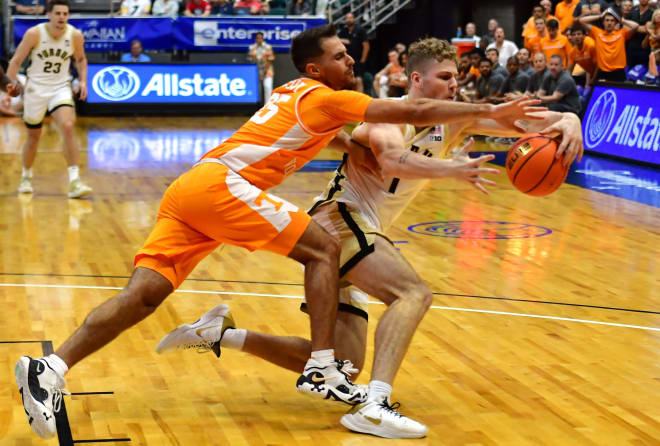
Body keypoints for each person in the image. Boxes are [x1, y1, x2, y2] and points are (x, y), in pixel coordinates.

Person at [14, 24, 542, 440]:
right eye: (340, 56)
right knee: (325, 247)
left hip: (192, 191)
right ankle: (320, 369)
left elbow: (353, 143)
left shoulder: (306, 100)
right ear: (317, 67)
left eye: (350, 54)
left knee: (144, 295)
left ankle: (49, 369)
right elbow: (417, 108)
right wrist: (490, 109)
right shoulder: (323, 95)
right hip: (222, 185)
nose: (351, 60)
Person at [155, 37, 583, 440]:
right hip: (341, 217)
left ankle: (220, 334)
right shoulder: (384, 118)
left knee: (346, 366)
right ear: (416, 80)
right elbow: (394, 161)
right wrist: (453, 170)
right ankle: (375, 407)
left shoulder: (456, 117)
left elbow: (530, 120)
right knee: (412, 293)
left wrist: (569, 120)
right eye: (445, 78)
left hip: (361, 226)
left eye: (456, 77)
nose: (455, 85)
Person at [7, 0, 92, 199]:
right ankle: (26, 177)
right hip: (36, 89)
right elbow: (17, 60)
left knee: (68, 126)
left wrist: (83, 81)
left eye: (65, 14)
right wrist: (8, 88)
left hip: (60, 87)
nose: (62, 17)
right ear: (49, 15)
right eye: (58, 13)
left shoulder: (74, 35)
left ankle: (74, 181)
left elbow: (80, 59)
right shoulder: (34, 34)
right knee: (33, 137)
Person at [579, 9, 639, 82]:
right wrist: (600, 16)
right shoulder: (597, 33)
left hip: (618, 72)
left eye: (612, 20)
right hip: (603, 72)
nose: (609, 23)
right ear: (603, 22)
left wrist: (621, 20)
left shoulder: (622, 33)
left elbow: (636, 26)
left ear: (616, 23)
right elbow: (581, 20)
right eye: (607, 20)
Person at [337, 12, 370, 93]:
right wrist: (343, 40)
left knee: (358, 80)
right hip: (347, 61)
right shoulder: (343, 31)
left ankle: (361, 101)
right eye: (347, 18)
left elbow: (366, 46)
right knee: (347, 81)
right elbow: (336, 41)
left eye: (350, 18)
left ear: (354, 19)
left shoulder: (360, 30)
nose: (349, 20)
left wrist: (363, 60)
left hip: (359, 60)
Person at [248, 32, 275, 103]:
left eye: (260, 38)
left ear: (263, 38)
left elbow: (271, 59)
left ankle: (268, 106)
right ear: (255, 39)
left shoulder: (268, 47)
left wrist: (264, 71)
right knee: (256, 90)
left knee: (268, 87)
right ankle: (257, 106)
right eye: (257, 38)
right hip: (256, 72)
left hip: (267, 71)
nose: (259, 39)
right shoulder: (252, 48)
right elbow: (250, 60)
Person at [626, 0, 653, 68]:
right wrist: (644, 28)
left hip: (646, 48)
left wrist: (634, 27)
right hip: (631, 47)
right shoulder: (631, 13)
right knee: (629, 74)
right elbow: (625, 28)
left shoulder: (653, 13)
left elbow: (651, 29)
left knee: (643, 74)